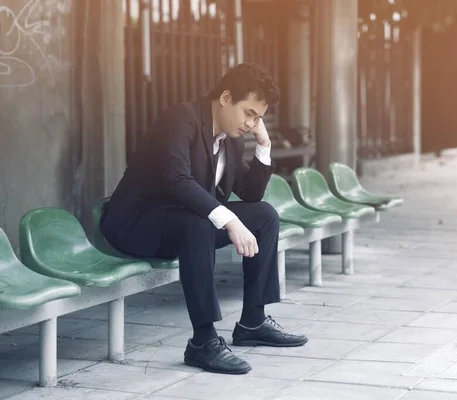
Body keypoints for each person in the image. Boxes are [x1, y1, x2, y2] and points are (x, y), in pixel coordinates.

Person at [100, 63, 308, 375]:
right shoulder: (180, 119)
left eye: (258, 118)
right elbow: (177, 180)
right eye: (249, 113)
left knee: (263, 216)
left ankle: (253, 321)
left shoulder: (234, 139)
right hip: (137, 224)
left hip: (183, 224)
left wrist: (263, 147)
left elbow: (251, 195)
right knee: (199, 223)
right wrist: (230, 221)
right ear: (226, 97)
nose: (251, 123)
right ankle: (203, 341)